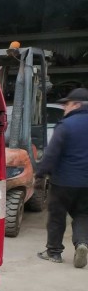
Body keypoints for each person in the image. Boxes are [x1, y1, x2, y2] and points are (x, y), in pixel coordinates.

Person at [35, 87, 88, 267]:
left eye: (67, 104)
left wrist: (40, 173)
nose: (65, 108)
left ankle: (54, 252)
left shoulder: (66, 126)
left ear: (77, 105)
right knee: (82, 214)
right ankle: (81, 243)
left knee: (57, 216)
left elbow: (52, 153)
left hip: (63, 181)